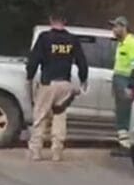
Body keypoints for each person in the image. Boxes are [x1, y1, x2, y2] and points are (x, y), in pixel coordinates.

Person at [25, 13, 89, 162]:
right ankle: (57, 151)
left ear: (51, 20)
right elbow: (82, 61)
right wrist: (83, 79)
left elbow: (34, 59)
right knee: (60, 117)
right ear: (65, 21)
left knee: (40, 116)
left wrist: (29, 76)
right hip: (65, 85)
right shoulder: (72, 40)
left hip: (48, 83)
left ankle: (36, 151)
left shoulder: (44, 38)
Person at [110, 16, 134, 153]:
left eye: (116, 27)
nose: (113, 30)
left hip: (126, 83)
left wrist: (130, 86)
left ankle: (126, 146)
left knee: (124, 114)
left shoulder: (132, 44)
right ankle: (122, 144)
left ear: (123, 27)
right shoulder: (121, 44)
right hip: (119, 82)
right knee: (120, 113)